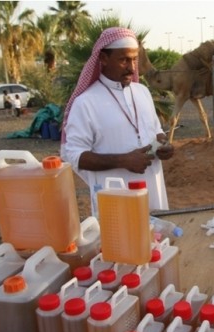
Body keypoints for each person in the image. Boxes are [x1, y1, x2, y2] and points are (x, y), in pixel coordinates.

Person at [60, 27, 174, 218]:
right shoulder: (86, 102)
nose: (132, 68)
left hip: (153, 192)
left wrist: (163, 143)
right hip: (115, 200)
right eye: (123, 60)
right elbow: (73, 155)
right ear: (103, 59)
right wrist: (123, 160)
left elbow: (156, 131)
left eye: (134, 59)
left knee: (157, 242)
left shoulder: (142, 92)